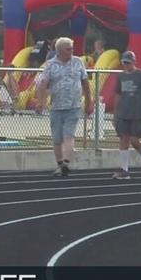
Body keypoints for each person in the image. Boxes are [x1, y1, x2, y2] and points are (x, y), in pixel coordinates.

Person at [35, 37, 93, 177]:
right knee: (57, 138)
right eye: (68, 49)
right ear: (60, 50)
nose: (71, 51)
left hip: (74, 105)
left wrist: (89, 101)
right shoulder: (50, 65)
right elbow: (43, 84)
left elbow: (85, 83)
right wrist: (40, 101)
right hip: (56, 106)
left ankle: (66, 162)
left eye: (72, 48)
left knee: (69, 134)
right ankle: (60, 164)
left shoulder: (78, 62)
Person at [111, 51, 141, 179]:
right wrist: (115, 111)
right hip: (123, 112)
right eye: (124, 62)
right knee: (124, 139)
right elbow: (118, 94)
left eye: (128, 62)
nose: (126, 65)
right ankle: (124, 170)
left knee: (135, 140)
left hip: (137, 112)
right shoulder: (121, 76)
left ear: (134, 62)